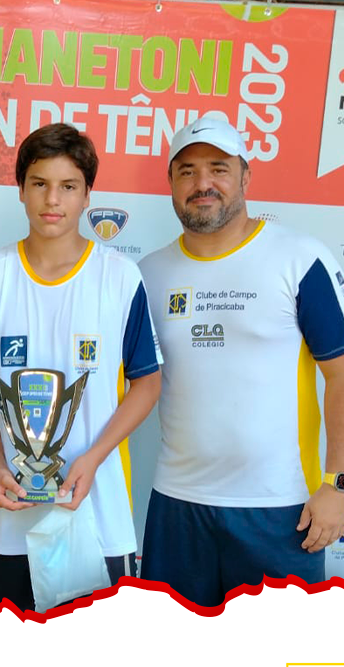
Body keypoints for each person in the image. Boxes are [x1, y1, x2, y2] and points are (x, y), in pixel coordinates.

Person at [139, 116, 344, 607]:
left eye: (218, 168)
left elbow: (340, 374)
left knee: (278, 655)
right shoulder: (147, 274)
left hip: (280, 510)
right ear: (171, 183)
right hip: (176, 507)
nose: (202, 183)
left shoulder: (299, 259)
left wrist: (337, 485)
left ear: (246, 176)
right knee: (170, 652)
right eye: (187, 171)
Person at [0, 123, 162, 612]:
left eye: (68, 186)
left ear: (88, 194)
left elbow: (147, 382)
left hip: (96, 514)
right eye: (40, 183)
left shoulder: (119, 276)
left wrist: (92, 459)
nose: (53, 199)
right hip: (8, 516)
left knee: (89, 654)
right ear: (21, 190)